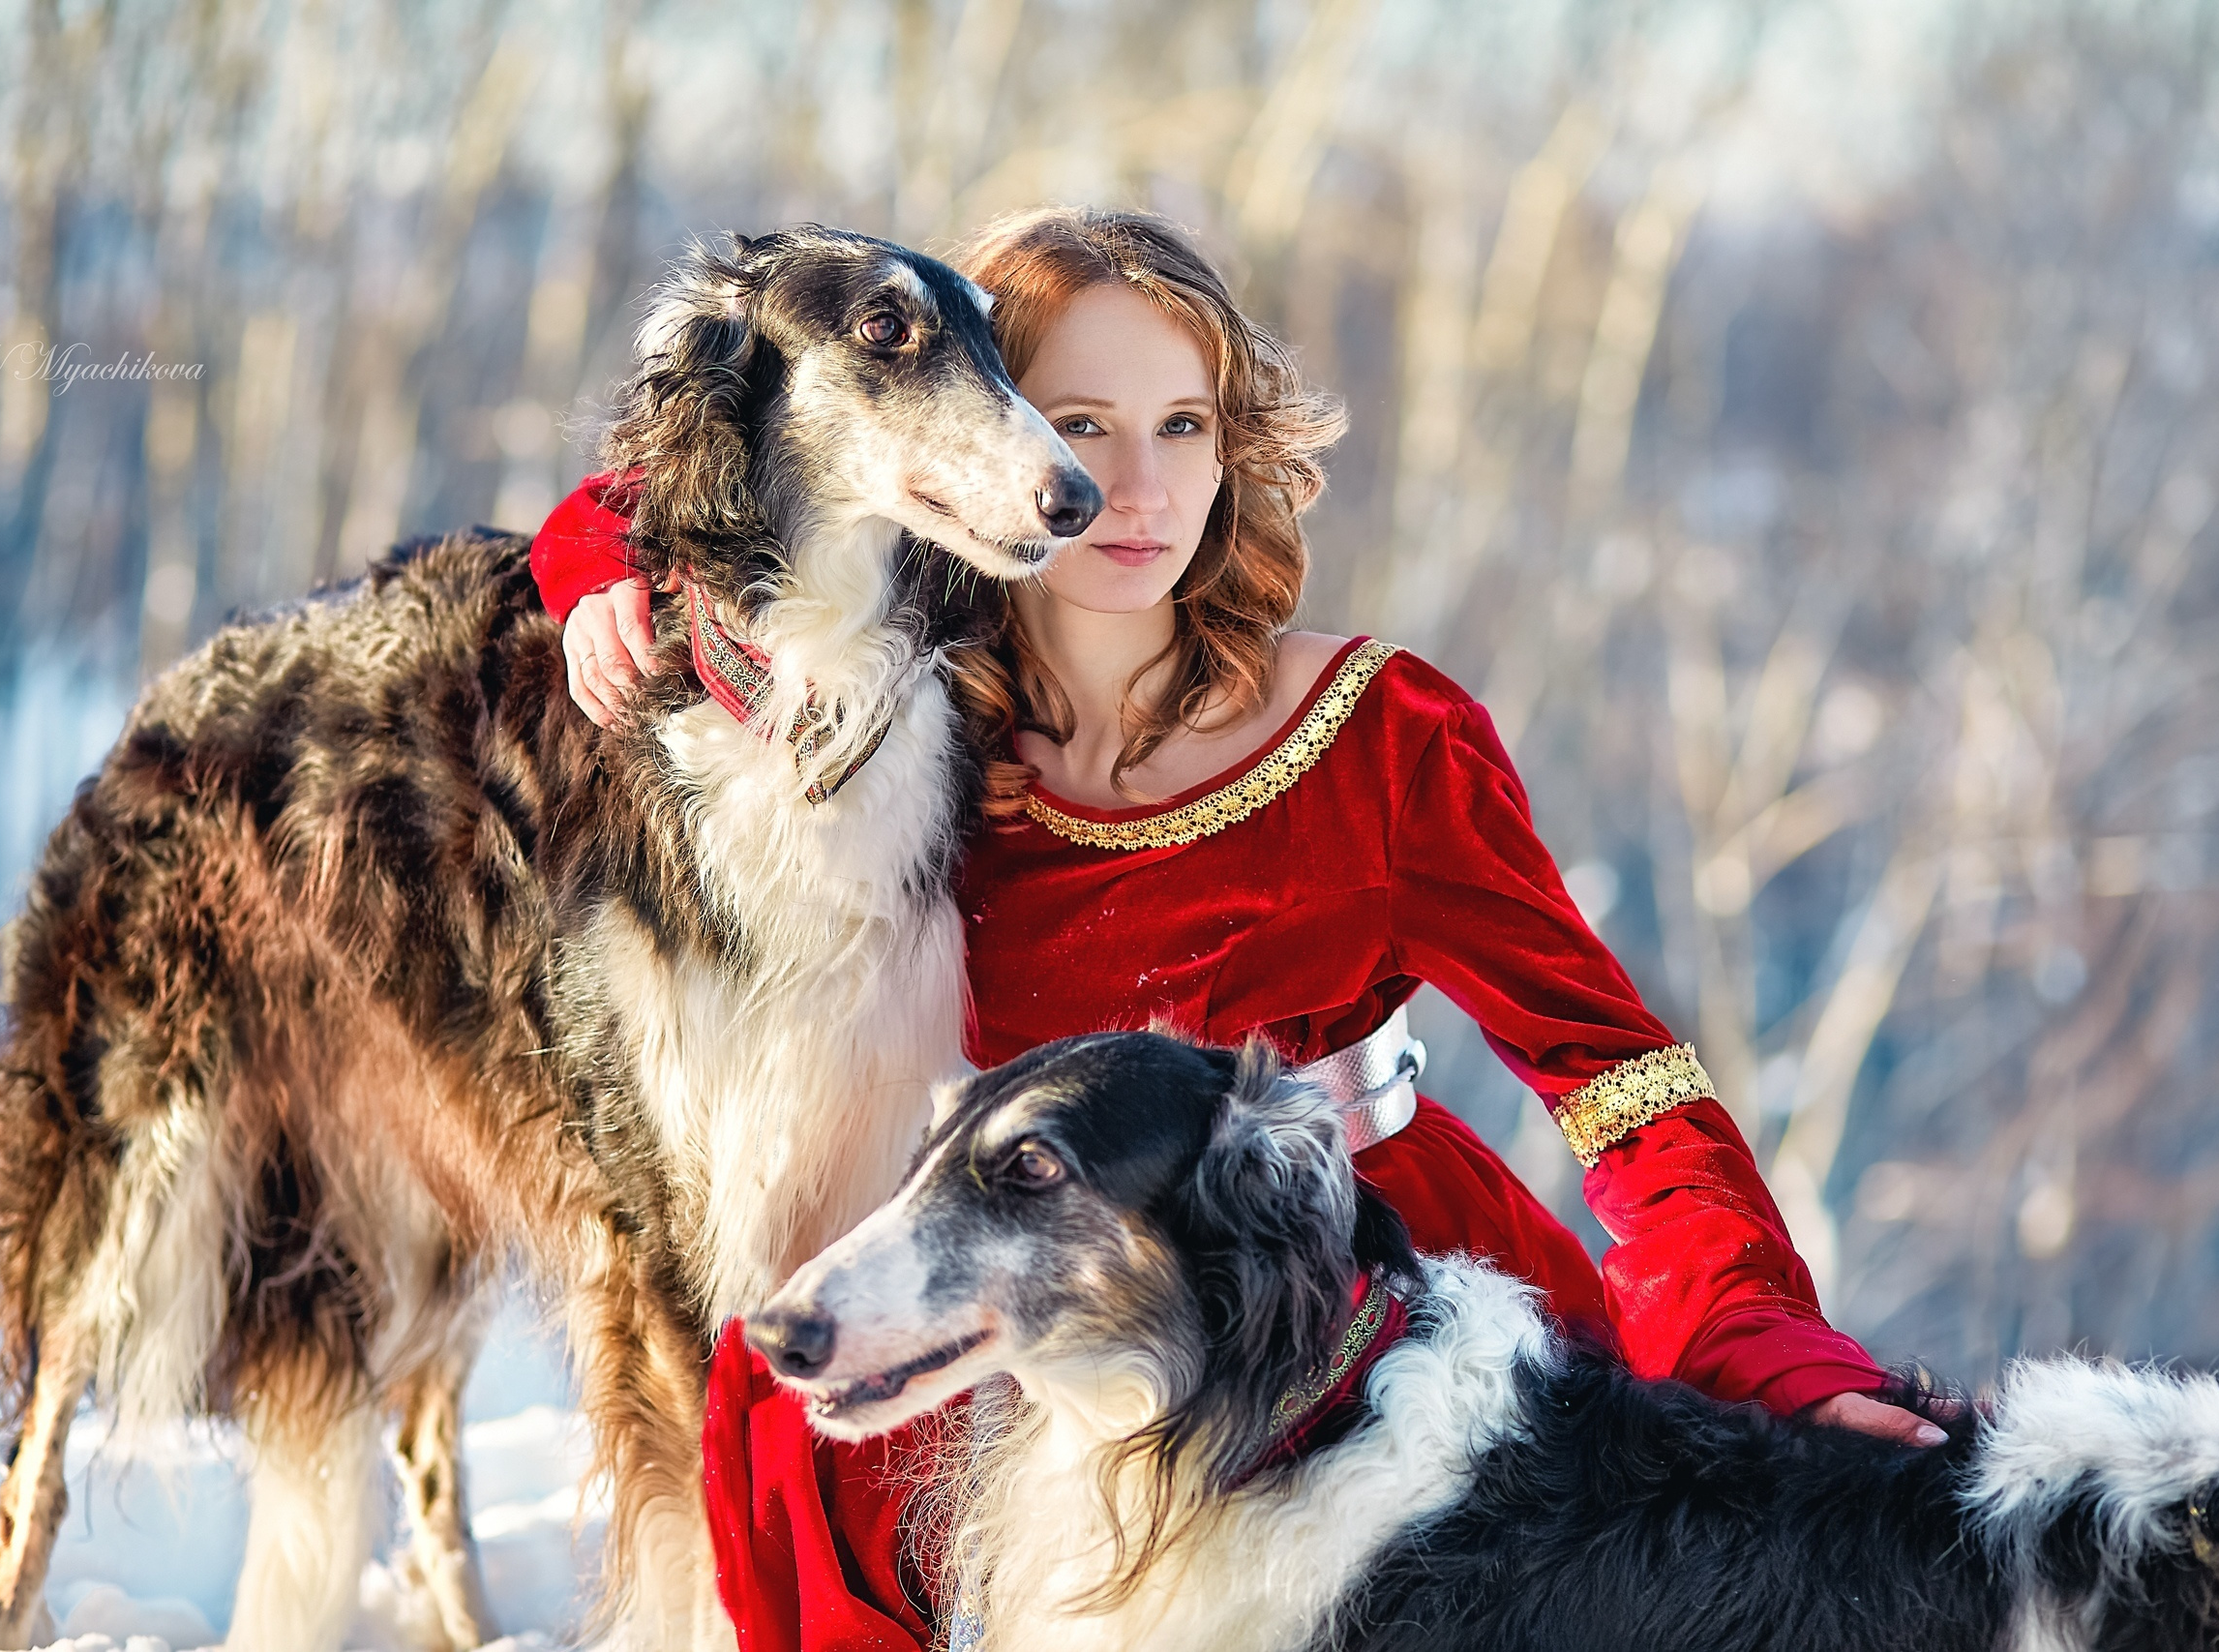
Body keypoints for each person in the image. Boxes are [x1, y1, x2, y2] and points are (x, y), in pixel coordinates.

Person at [533, 206, 1939, 1650]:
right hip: (1024, 1315)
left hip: (1351, 1307)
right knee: (793, 1427)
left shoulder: (1379, 733)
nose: (1135, 488)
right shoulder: (900, 742)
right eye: (1079, 420)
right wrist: (582, 570)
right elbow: (710, 437)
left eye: (1186, 424)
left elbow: (1617, 1077)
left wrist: (1753, 1333)